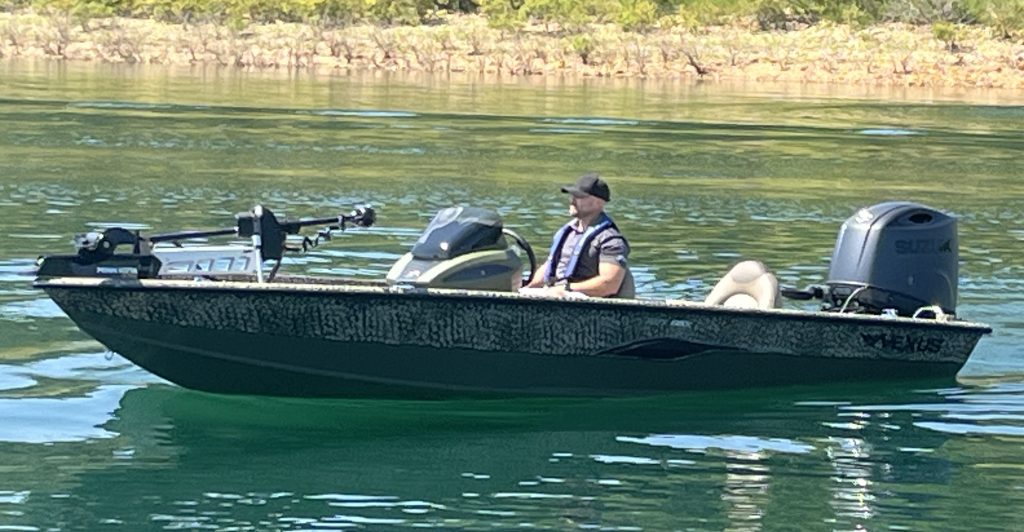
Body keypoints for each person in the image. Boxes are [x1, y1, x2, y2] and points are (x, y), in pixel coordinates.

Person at [523, 173, 635, 298]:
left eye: (579, 196)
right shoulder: (568, 232)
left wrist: (567, 288)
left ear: (598, 202)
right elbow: (548, 266)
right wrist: (527, 289)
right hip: (556, 296)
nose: (572, 200)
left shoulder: (611, 241)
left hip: (586, 303)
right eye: (572, 196)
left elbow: (609, 285)